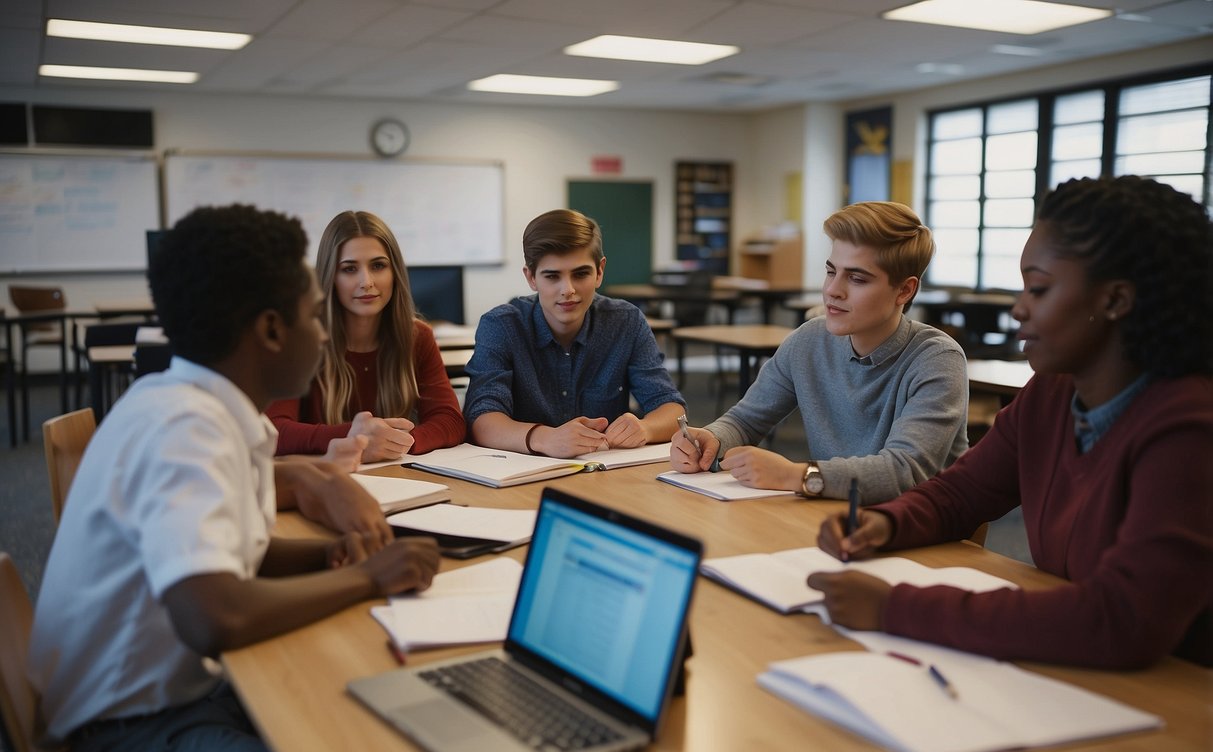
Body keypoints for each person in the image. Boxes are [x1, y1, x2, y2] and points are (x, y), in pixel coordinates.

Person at [27, 204, 442, 752]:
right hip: (136, 728)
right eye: (312, 314)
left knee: (378, 722)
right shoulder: (187, 429)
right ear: (273, 331)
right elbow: (213, 615)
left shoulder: (190, 400)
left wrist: (325, 556)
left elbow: (223, 552)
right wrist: (369, 578)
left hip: (184, 690)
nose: (325, 331)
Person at [811, 176, 1213, 670]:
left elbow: (1122, 619)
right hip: (1073, 671)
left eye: (1039, 289)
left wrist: (895, 607)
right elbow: (960, 495)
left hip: (1179, 696)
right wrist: (884, 523)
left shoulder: (1189, 428)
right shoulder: (1052, 393)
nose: (1019, 308)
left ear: (1115, 301)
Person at [671, 201, 968, 503]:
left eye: (857, 278)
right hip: (836, 518)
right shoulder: (808, 341)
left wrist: (796, 476)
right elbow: (745, 421)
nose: (832, 290)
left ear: (904, 290)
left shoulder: (937, 360)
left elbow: (903, 472)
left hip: (924, 537)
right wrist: (713, 439)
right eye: (831, 271)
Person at [464, 208, 686, 458]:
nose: (568, 289)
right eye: (552, 276)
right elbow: (481, 420)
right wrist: (545, 438)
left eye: (581, 274)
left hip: (605, 474)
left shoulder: (626, 321)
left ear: (599, 271)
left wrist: (645, 427)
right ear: (531, 278)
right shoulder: (501, 325)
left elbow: (672, 409)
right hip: (524, 474)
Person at [267, 210, 465, 463]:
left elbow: (450, 421)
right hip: (327, 479)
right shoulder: (300, 340)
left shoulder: (417, 336)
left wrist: (393, 442)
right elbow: (274, 431)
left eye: (378, 266)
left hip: (396, 475)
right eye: (349, 269)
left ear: (395, 273)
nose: (367, 281)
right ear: (330, 277)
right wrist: (356, 437)